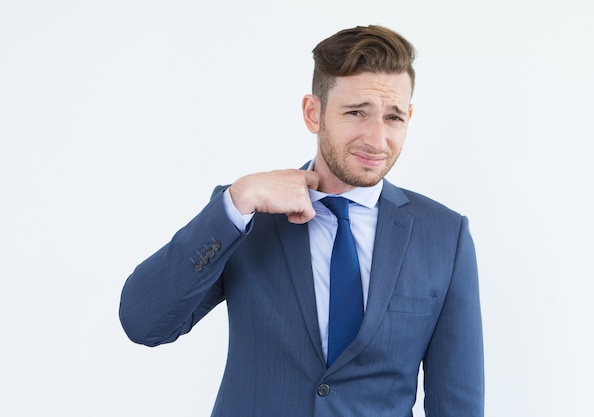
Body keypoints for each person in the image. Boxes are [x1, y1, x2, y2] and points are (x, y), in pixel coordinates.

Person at [119, 25, 484, 416]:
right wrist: (236, 202)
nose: (377, 139)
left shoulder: (444, 236)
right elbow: (145, 322)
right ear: (314, 113)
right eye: (357, 112)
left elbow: (457, 405)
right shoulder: (247, 216)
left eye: (393, 117)